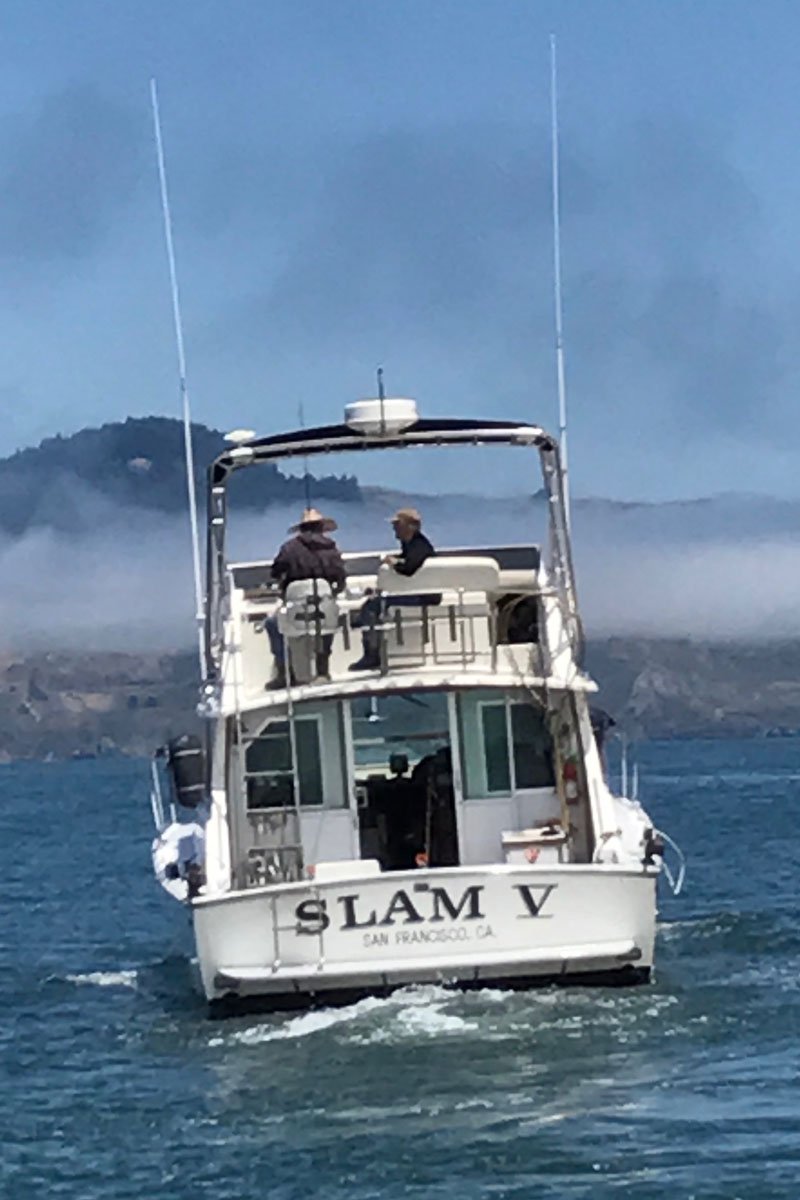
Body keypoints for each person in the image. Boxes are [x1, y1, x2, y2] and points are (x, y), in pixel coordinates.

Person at [266, 508, 346, 687]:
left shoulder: (288, 549)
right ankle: (323, 671)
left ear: (301, 529)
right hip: (323, 613)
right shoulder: (332, 549)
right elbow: (340, 580)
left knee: (272, 624)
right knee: (329, 617)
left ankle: (284, 672)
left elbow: (275, 572)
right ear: (321, 528)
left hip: (295, 614)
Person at [349, 507, 435, 671]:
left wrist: (394, 563)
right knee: (373, 603)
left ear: (411, 526)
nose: (394, 528)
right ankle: (368, 634)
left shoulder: (419, 546)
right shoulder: (411, 544)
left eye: (398, 524)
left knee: (372, 606)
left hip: (423, 596)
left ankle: (372, 654)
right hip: (419, 592)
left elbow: (409, 568)